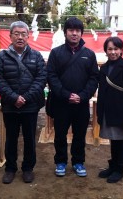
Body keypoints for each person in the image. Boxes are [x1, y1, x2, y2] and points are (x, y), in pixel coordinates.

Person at [0, 21, 46, 184]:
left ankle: (28, 168)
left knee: (30, 138)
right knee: (11, 138)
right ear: (10, 35)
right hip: (10, 106)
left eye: (23, 34)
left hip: (30, 106)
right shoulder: (1, 56)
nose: (20, 37)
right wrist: (14, 97)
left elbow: (41, 79)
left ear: (28, 37)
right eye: (17, 33)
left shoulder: (36, 56)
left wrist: (26, 98)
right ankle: (10, 168)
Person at [47, 17, 99, 177]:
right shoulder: (56, 53)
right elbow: (51, 76)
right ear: (65, 32)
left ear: (81, 33)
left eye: (77, 31)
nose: (74, 33)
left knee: (80, 134)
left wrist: (83, 96)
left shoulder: (89, 55)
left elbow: (94, 78)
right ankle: (61, 162)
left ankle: (78, 162)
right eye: (71, 30)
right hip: (61, 103)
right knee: (60, 134)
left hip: (81, 104)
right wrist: (66, 94)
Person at [96, 36, 123, 183]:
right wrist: (99, 113)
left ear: (121, 50)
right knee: (113, 140)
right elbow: (101, 91)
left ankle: (120, 169)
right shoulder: (104, 68)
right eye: (110, 49)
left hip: (122, 111)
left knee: (121, 141)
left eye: (116, 49)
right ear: (105, 51)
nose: (113, 52)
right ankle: (112, 166)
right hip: (108, 110)